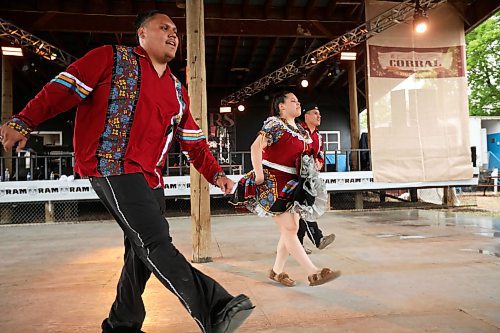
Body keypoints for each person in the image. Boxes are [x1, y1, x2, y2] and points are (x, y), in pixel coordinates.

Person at [0, 10, 254, 333]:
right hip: (110, 165)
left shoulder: (177, 92)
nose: (174, 34)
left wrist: (218, 176)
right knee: (155, 241)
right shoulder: (110, 59)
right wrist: (24, 120)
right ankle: (215, 309)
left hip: (151, 179)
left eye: (176, 30)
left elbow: (194, 143)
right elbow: (62, 89)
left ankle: (121, 325)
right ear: (142, 34)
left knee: (140, 257)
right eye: (164, 27)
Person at [231, 91, 341, 287]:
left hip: (292, 184)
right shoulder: (274, 124)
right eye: (293, 101)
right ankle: (313, 272)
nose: (298, 104)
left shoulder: (300, 130)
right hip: (272, 183)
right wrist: (258, 175)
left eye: (298, 101)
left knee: (291, 229)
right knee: (290, 228)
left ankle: (277, 271)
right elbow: (256, 147)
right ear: (281, 106)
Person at [296, 103, 336, 255]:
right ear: (306, 116)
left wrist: (319, 162)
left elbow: (319, 154)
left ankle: (297, 245)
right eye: (315, 113)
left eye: (319, 114)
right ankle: (317, 239)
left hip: (310, 177)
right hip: (296, 177)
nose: (319, 116)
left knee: (302, 210)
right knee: (304, 208)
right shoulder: (298, 131)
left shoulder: (318, 136)